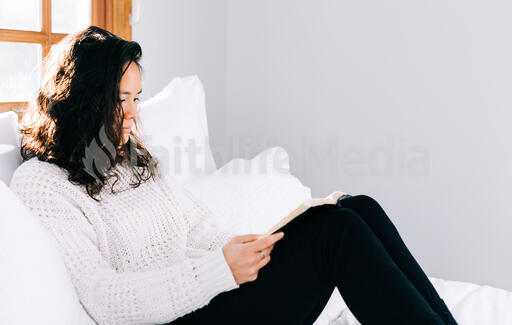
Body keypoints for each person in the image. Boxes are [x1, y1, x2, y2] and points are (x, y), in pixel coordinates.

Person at [9, 26, 458, 325]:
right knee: (337, 232)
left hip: (212, 296)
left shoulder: (132, 158)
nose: (132, 116)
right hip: (177, 318)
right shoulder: (43, 183)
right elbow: (104, 298)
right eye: (119, 100)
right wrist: (218, 271)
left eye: (137, 99)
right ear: (81, 101)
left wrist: (266, 243)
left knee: (355, 208)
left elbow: (202, 231)